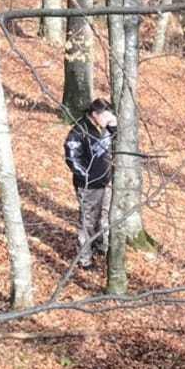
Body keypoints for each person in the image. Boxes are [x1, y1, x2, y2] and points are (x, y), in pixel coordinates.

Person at [63, 97, 117, 269]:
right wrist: (86, 177)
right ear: (94, 114)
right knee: (88, 221)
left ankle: (100, 246)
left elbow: (117, 142)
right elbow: (72, 158)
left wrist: (113, 125)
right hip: (88, 186)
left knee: (104, 217)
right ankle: (84, 259)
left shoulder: (105, 127)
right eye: (105, 114)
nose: (108, 117)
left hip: (105, 181)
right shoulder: (79, 131)